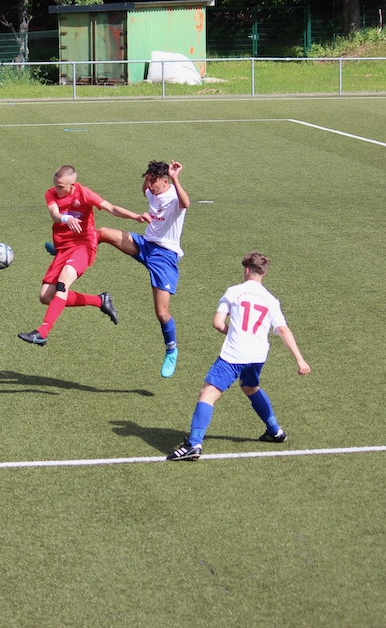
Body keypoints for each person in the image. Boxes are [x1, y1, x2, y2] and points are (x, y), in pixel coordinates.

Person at [169, 252, 311, 461]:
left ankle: (194, 444)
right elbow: (284, 330)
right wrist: (300, 359)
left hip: (234, 354)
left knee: (208, 393)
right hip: (258, 355)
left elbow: (217, 323)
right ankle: (274, 430)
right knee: (250, 387)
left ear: (246, 270)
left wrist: (232, 332)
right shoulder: (271, 300)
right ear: (263, 273)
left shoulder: (234, 292)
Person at [18, 164, 148, 346]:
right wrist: (66, 218)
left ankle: (42, 332)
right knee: (46, 297)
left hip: (84, 247)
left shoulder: (84, 193)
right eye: (55, 185)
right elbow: (55, 214)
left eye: (61, 187)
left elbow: (111, 208)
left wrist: (136, 217)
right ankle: (99, 300)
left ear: (73, 185)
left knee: (63, 283)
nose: (56, 189)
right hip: (63, 249)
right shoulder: (50, 194)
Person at [97, 159, 189, 377]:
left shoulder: (174, 197)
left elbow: (186, 203)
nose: (149, 186)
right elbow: (145, 191)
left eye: (152, 181)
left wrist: (176, 179)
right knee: (102, 232)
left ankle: (171, 350)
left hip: (164, 256)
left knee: (162, 312)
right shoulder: (152, 191)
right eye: (147, 180)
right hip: (144, 245)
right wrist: (147, 182)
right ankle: (67, 249)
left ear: (165, 181)